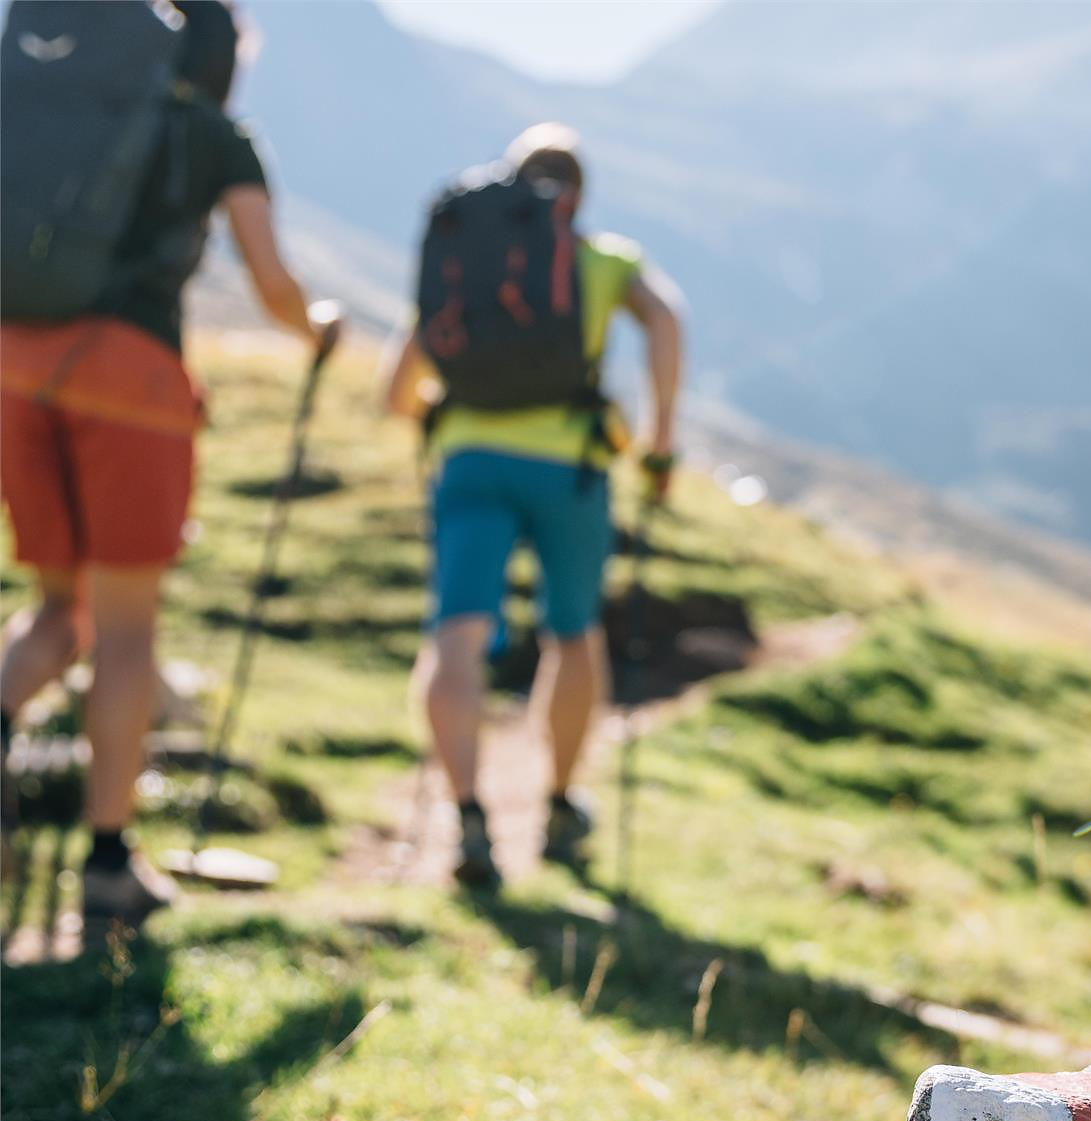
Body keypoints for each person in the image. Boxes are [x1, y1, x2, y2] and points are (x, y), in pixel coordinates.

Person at [0, 0, 342, 931]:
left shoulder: (51, 106)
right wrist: (318, 329)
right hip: (131, 382)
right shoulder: (214, 136)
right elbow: (272, 283)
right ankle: (109, 868)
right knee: (125, 630)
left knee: (54, 609)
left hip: (16, 370)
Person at [382, 123, 685, 890]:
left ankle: (467, 816)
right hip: (572, 471)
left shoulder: (472, 265)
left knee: (457, 632)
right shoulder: (606, 261)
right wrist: (660, 440)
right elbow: (667, 323)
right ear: (577, 196)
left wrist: (453, 416)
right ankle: (556, 804)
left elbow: (396, 390)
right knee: (573, 631)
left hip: (471, 464)